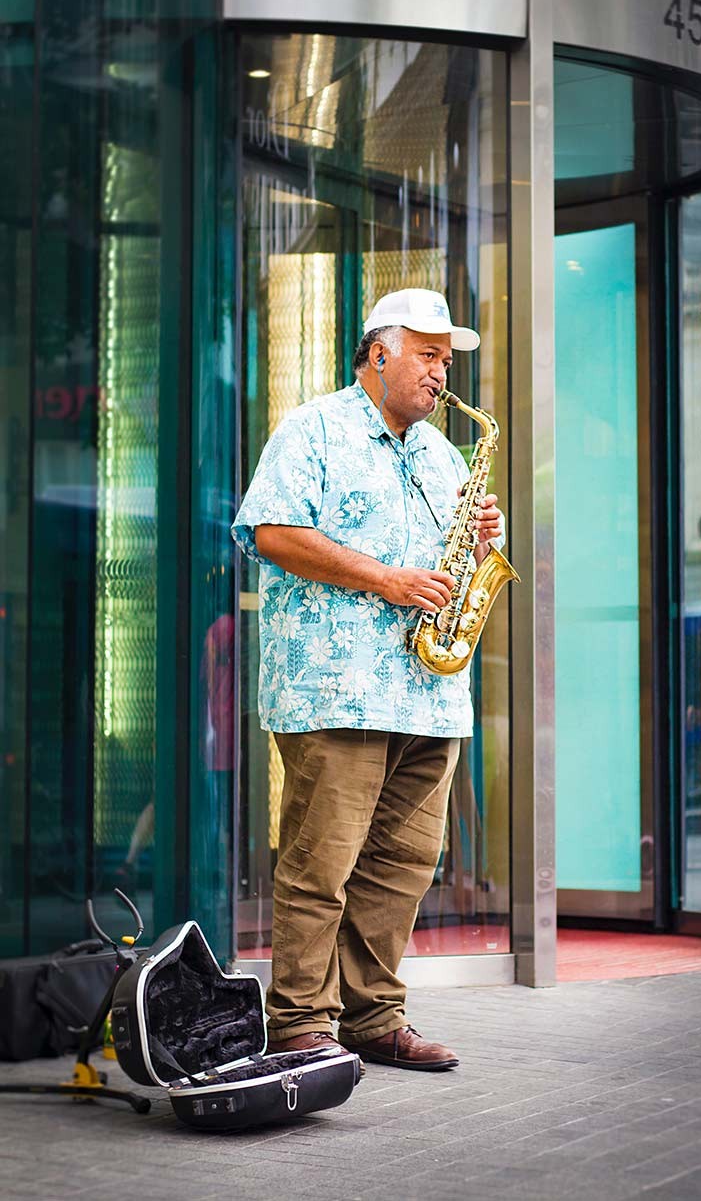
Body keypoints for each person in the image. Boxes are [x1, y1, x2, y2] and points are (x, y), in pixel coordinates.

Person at [231, 288, 503, 1071]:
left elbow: (461, 567)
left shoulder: (444, 453)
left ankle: (374, 1018)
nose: (441, 372)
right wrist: (386, 579)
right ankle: (300, 1026)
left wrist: (484, 538)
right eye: (428, 353)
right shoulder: (314, 427)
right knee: (322, 865)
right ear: (378, 353)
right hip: (334, 689)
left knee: (403, 868)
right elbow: (273, 532)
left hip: (429, 693)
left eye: (447, 358)